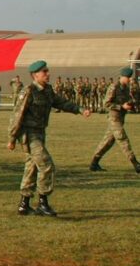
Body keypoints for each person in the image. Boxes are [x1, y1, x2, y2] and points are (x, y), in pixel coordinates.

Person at [8, 60, 91, 217]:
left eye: (47, 71)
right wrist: (12, 138)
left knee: (31, 167)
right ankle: (42, 203)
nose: (48, 74)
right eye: (44, 72)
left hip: (40, 133)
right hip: (29, 135)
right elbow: (17, 116)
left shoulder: (47, 90)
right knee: (46, 165)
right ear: (35, 75)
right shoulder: (28, 91)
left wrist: (79, 110)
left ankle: (24, 205)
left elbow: (61, 102)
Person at [89, 67, 140, 173]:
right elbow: (106, 103)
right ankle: (136, 164)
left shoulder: (126, 88)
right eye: (128, 77)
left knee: (107, 142)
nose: (130, 80)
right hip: (114, 119)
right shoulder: (114, 87)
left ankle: (94, 163)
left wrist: (131, 104)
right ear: (122, 77)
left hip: (120, 119)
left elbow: (126, 101)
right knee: (123, 139)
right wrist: (121, 107)